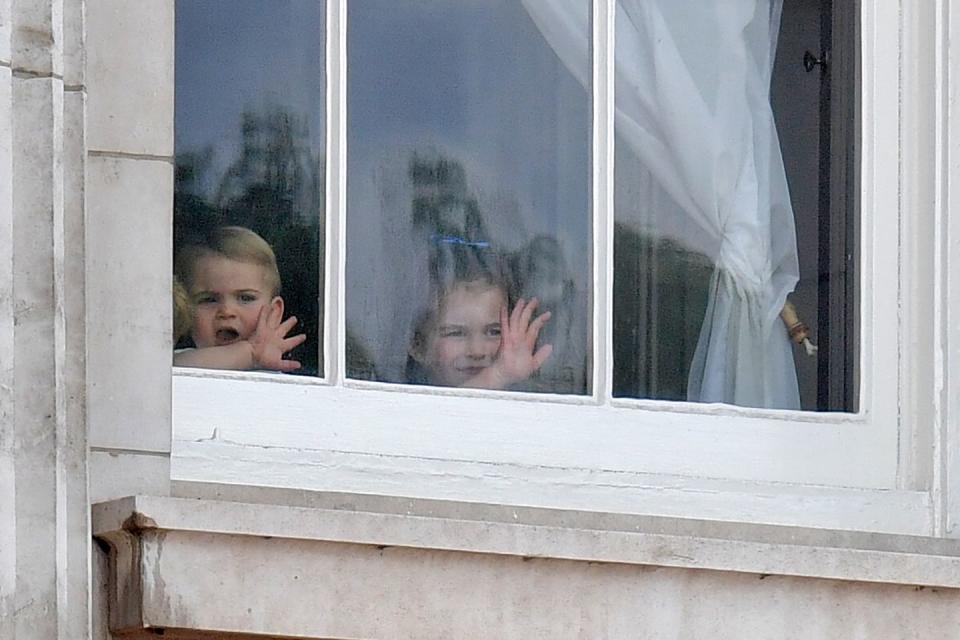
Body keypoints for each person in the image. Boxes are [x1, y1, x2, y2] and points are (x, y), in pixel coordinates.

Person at [174, 226, 305, 371]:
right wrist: (251, 353)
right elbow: (172, 369)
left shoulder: (278, 380)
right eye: (209, 299)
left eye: (245, 298)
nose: (227, 311)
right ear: (185, 311)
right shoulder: (184, 361)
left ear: (274, 312)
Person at [406, 274, 553, 390]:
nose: (477, 351)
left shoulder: (526, 401)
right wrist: (497, 376)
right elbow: (444, 419)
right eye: (456, 333)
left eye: (494, 332)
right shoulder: (397, 399)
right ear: (419, 346)